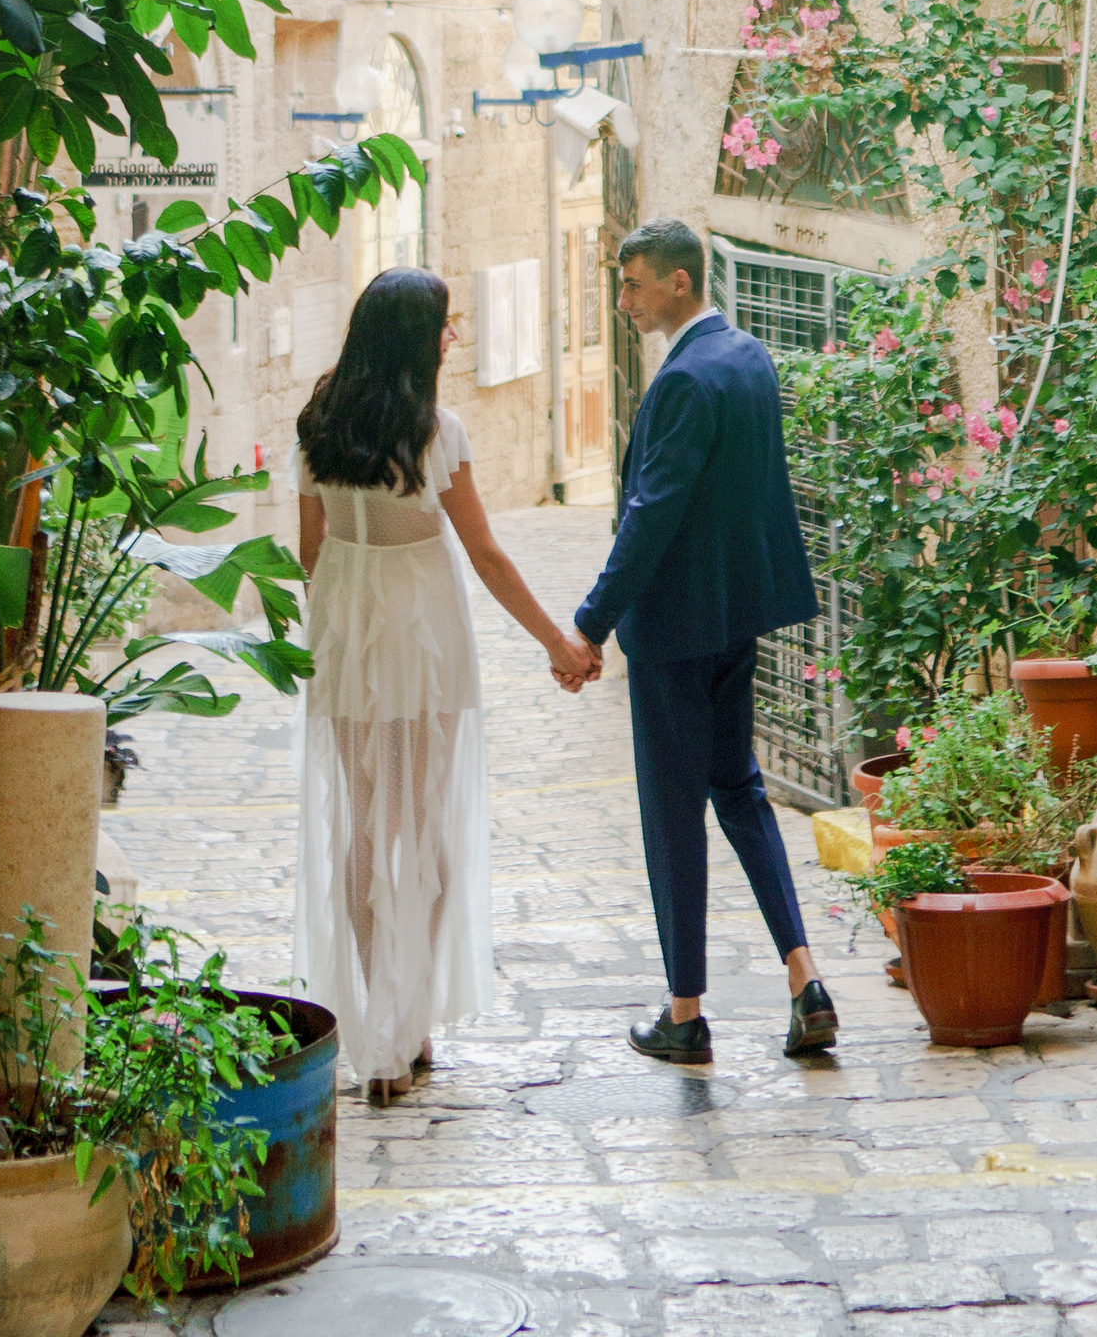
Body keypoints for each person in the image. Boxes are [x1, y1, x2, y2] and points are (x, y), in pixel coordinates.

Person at [291, 265, 591, 1102]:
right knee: (421, 821)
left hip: (346, 632)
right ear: (415, 341)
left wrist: (336, 621)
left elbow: (309, 553)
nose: (452, 338)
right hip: (422, 633)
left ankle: (375, 1017)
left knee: (361, 825)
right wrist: (557, 646)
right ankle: (407, 1019)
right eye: (443, 326)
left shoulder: (316, 424)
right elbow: (487, 556)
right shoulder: (434, 432)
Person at [560, 219, 839, 1065]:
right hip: (733, 622)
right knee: (741, 790)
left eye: (634, 283)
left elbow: (652, 516)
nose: (623, 299)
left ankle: (685, 1013)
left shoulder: (683, 382)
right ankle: (806, 980)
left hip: (678, 632)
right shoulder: (748, 358)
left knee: (673, 816)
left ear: (679, 283)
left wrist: (588, 623)